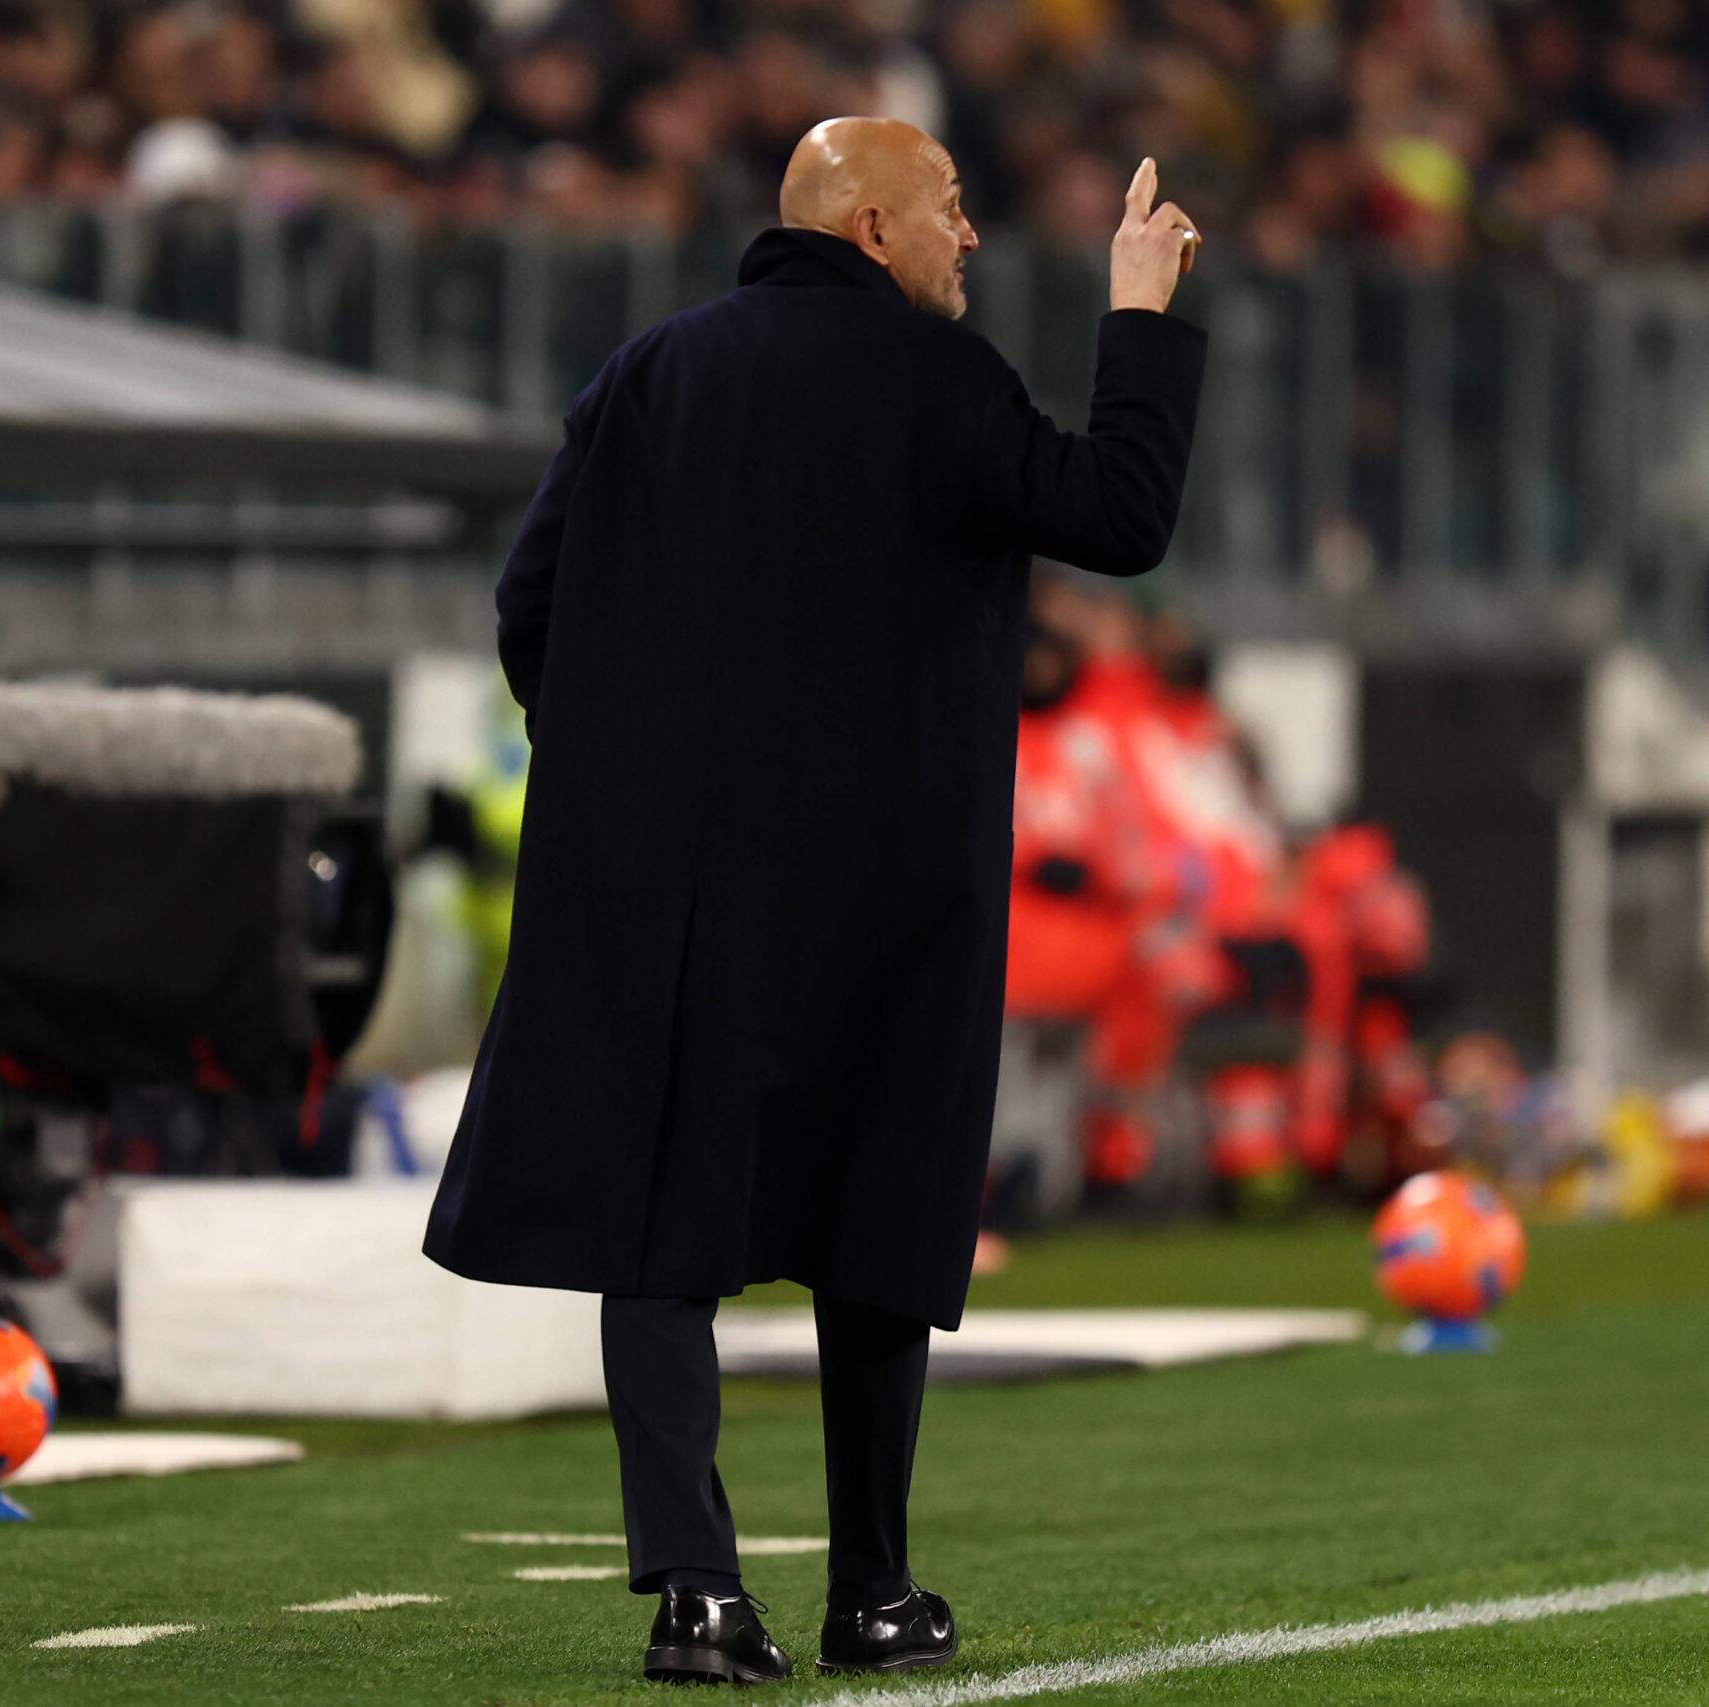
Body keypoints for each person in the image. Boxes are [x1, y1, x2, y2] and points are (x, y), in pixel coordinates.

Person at [423, 116, 1205, 1682]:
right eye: (951, 209)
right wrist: (1135, 314)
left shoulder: (649, 373)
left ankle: (696, 1592)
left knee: (660, 1228)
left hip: (668, 889)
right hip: (883, 886)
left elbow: (531, 610)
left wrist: (626, 776)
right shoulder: (941, 384)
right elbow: (1120, 516)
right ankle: (874, 1590)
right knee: (875, 1216)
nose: (970, 237)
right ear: (867, 227)